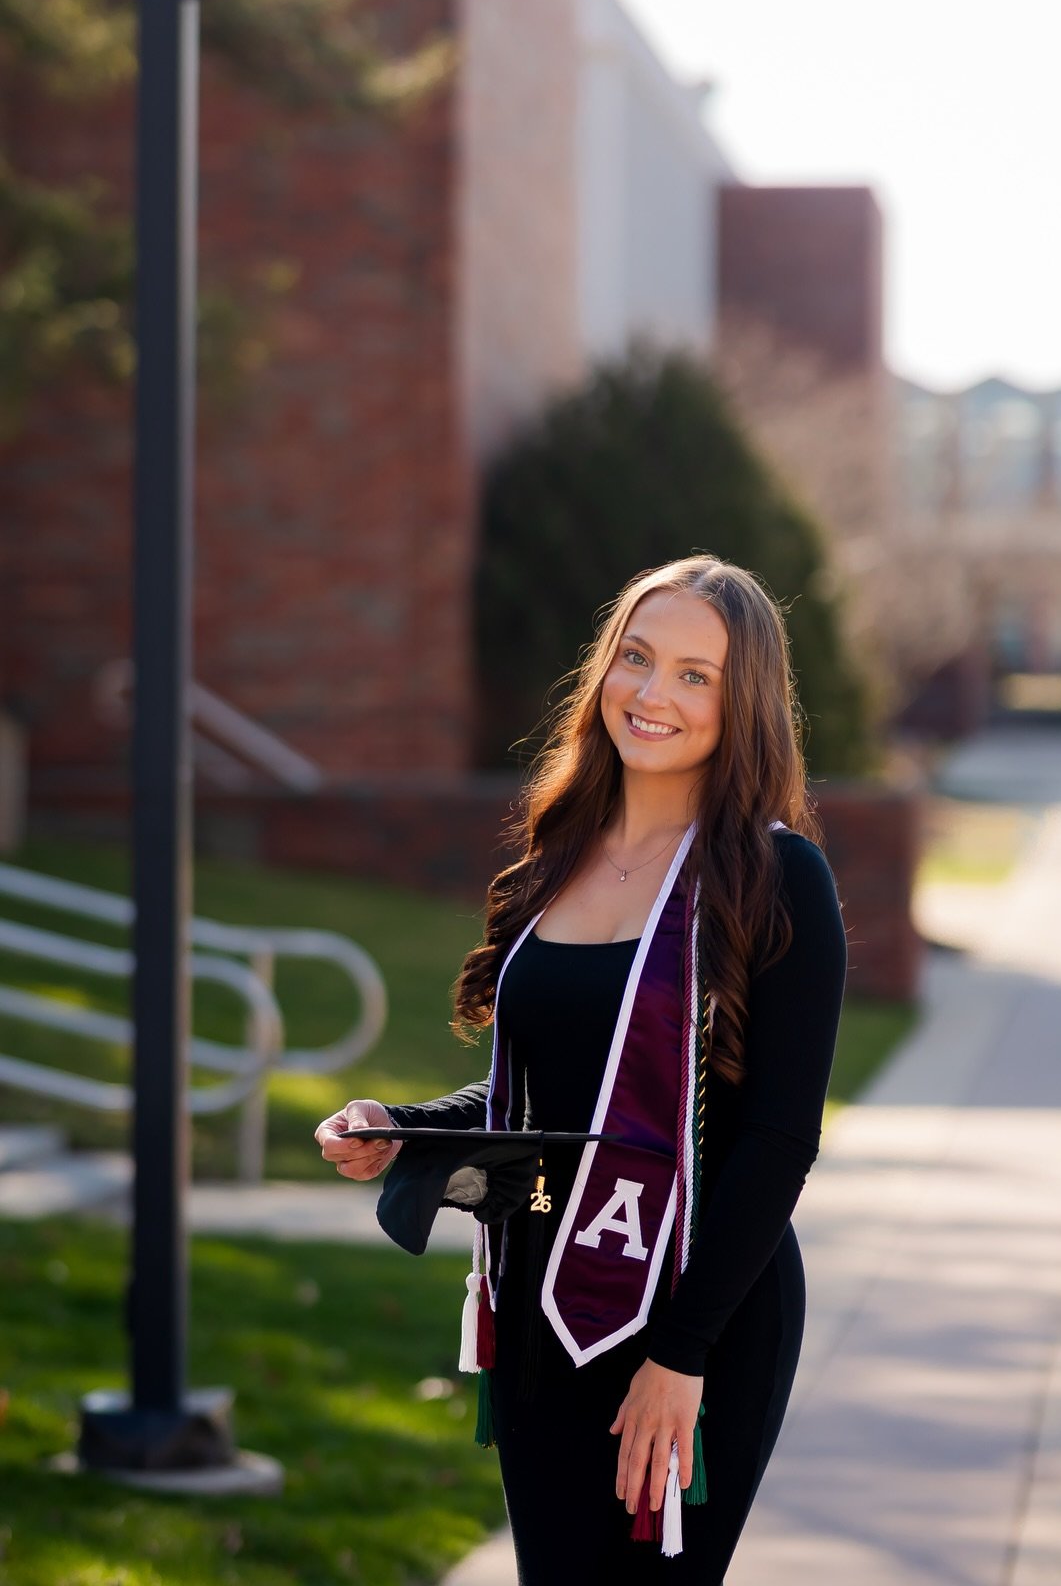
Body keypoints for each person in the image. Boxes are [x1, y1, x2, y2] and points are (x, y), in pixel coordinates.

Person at [315, 555, 849, 1582]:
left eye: (697, 675)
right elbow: (553, 1100)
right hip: (544, 1303)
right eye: (637, 659)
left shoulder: (775, 877)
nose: (653, 695)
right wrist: (408, 1129)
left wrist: (683, 1352)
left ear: (743, 704)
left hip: (701, 1309)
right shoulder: (556, 857)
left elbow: (780, 1138)